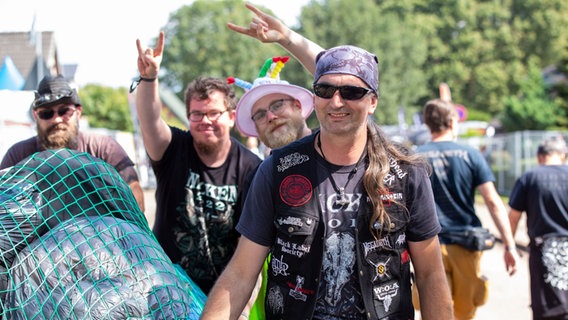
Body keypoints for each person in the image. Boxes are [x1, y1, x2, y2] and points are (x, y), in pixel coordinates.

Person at [201, 45, 453, 319]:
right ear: (314, 97)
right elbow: (240, 274)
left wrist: (287, 37)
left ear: (372, 101)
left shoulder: (406, 173)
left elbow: (430, 275)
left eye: (352, 92)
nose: (336, 102)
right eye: (324, 90)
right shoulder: (276, 170)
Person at [133, 31, 262, 295]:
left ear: (231, 117)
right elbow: (149, 121)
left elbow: (250, 249)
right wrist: (149, 77)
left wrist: (242, 309)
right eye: (197, 114)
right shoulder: (173, 148)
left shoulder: (250, 168)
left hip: (222, 292)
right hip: (166, 287)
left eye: (214, 113)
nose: (205, 120)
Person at [416, 98, 519, 319]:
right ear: (453, 122)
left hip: (427, 246)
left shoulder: (415, 157)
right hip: (465, 243)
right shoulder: (471, 155)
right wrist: (509, 245)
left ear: (427, 124)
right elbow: (492, 201)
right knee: (464, 310)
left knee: (433, 310)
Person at [0, 74, 145, 212]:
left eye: (64, 111)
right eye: (47, 113)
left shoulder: (104, 148)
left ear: (78, 112)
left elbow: (135, 196)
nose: (56, 120)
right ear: (35, 116)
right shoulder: (18, 155)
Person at [508, 136, 568, 320]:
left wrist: (509, 245)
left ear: (539, 157)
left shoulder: (530, 177)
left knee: (546, 306)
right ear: (563, 156)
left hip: (544, 250)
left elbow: (513, 216)